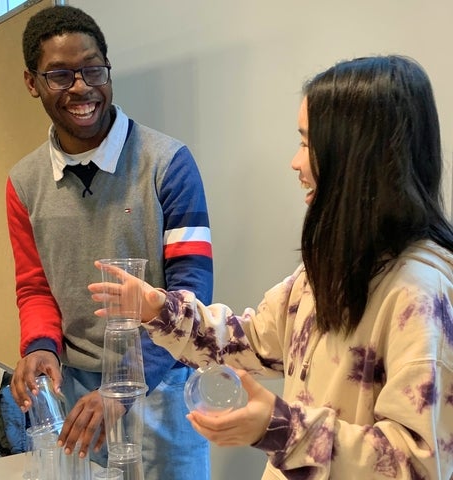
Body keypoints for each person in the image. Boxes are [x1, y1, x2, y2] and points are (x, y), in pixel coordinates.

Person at [89, 55, 453, 479]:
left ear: (356, 160)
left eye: (307, 144)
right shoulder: (329, 271)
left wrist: (281, 429)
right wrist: (159, 310)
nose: (295, 163)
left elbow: (419, 462)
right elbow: (249, 341)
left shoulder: (418, 295)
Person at [6, 5, 213, 479]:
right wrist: (39, 347)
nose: (81, 87)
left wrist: (125, 387)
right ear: (31, 82)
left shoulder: (168, 164)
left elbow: (192, 291)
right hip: (79, 401)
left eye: (93, 69)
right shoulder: (23, 182)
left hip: (165, 391)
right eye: (59, 75)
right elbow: (36, 288)